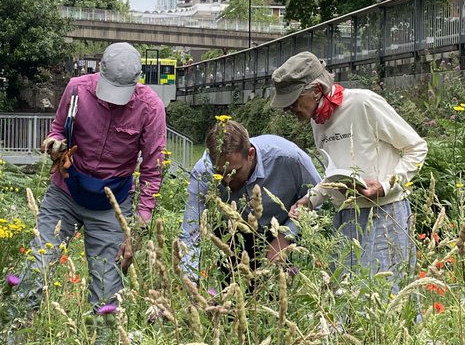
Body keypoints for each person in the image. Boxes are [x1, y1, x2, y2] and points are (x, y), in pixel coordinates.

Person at [30, 42, 166, 312]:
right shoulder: (77, 90)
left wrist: (136, 229)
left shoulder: (151, 108)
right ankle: (13, 339)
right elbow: (58, 127)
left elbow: (152, 169)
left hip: (112, 205)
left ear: (137, 81)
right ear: (99, 71)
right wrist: (54, 143)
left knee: (107, 293)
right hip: (65, 193)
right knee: (37, 266)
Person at [270, 52, 427, 284]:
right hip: (345, 218)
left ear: (316, 90)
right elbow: (335, 173)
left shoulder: (363, 103)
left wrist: (384, 187)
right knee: (346, 295)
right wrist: (310, 200)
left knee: (386, 293)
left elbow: (417, 148)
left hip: (385, 215)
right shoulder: (317, 120)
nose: (289, 109)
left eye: (293, 101)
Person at [179, 118, 320, 280]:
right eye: (220, 173)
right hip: (235, 235)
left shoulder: (289, 158)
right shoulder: (203, 173)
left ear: (251, 154)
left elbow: (316, 199)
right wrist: (189, 281)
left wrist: (285, 236)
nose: (227, 180)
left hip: (286, 229)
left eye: (235, 171)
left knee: (283, 293)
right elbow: (191, 233)